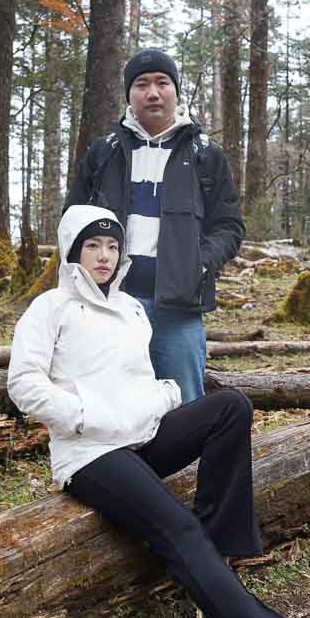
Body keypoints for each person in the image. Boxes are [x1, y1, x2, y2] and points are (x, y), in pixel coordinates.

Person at [8, 204, 310, 618]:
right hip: (91, 453)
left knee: (229, 407)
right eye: (93, 246)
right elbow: (23, 385)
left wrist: (165, 395)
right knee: (179, 530)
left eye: (113, 246)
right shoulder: (50, 308)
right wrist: (86, 416)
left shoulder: (133, 309)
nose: (105, 256)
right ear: (73, 251)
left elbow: (135, 379)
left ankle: (216, 548)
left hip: (140, 437)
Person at [63, 46, 244, 404]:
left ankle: (184, 463)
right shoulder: (105, 152)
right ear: (129, 94)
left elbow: (229, 226)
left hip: (178, 310)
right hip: (109, 304)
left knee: (185, 406)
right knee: (110, 402)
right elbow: (74, 222)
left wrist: (200, 263)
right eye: (142, 84)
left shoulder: (205, 155)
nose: (153, 92)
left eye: (163, 82)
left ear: (176, 91)